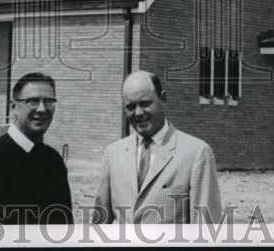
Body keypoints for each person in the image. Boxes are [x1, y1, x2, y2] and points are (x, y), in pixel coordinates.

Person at [93, 70, 223, 224]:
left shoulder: (196, 153)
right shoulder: (113, 153)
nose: (138, 113)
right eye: (130, 107)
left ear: (163, 98)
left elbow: (206, 230)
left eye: (145, 103)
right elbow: (98, 226)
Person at [0, 72, 72, 225]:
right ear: (13, 106)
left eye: (49, 101)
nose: (42, 109)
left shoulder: (54, 161)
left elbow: (65, 228)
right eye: (33, 101)